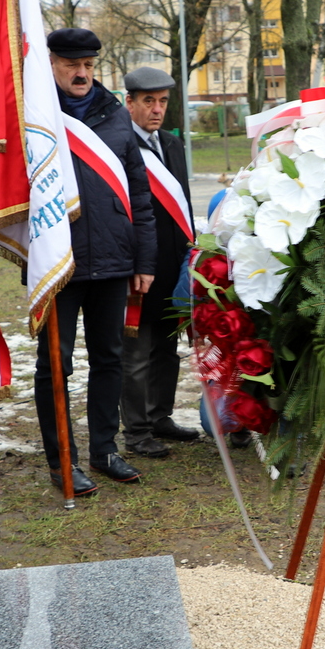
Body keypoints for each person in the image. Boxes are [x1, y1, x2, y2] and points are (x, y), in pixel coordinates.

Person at [38, 27, 157, 494]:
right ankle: (60, 457)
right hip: (60, 263)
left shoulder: (113, 116)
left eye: (88, 65)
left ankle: (105, 448)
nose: (82, 73)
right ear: (52, 64)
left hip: (113, 260)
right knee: (55, 363)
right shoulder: (37, 117)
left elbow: (140, 195)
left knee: (109, 358)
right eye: (72, 65)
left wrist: (143, 261)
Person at [119, 65, 201, 458]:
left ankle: (160, 416)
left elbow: (181, 202)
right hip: (136, 267)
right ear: (129, 102)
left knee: (168, 348)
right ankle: (136, 432)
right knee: (136, 353)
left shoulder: (170, 143)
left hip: (173, 264)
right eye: (148, 101)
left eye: (163, 101)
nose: (156, 109)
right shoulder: (117, 145)